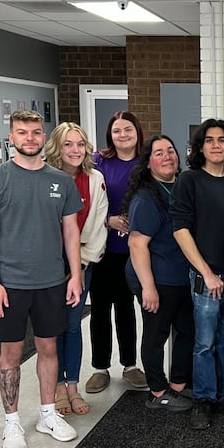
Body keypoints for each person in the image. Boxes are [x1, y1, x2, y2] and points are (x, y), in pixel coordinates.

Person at [0, 110, 83, 448]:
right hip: (10, 284)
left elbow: (70, 232)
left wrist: (75, 275)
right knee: (11, 353)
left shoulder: (61, 181)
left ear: (43, 136)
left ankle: (47, 414)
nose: (30, 138)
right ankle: (11, 421)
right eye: (23, 133)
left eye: (36, 132)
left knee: (49, 349)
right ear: (12, 138)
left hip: (51, 281)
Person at [170, 119, 224, 430]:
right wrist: (207, 272)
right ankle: (203, 398)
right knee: (204, 341)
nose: (216, 145)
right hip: (206, 276)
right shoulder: (189, 181)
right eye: (209, 140)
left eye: (221, 140)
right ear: (200, 147)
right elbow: (181, 231)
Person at [123, 135, 195, 412]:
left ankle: (177, 385)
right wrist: (148, 288)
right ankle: (157, 391)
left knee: (187, 332)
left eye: (170, 151)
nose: (167, 157)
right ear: (149, 162)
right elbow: (137, 243)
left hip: (181, 277)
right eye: (158, 153)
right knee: (156, 335)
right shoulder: (146, 197)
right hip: (156, 278)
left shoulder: (180, 186)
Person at [44, 122, 109, 416]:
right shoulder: (43, 178)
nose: (75, 150)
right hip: (46, 267)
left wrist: (79, 265)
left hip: (81, 264)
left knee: (71, 325)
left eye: (80, 144)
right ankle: (56, 387)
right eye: (68, 144)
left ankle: (72, 387)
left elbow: (98, 225)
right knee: (50, 328)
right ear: (57, 147)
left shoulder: (94, 179)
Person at [87, 111, 148, 393]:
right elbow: (86, 201)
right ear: (110, 135)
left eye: (128, 130)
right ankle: (100, 367)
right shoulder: (98, 162)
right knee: (100, 308)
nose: (122, 135)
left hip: (133, 249)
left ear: (137, 132)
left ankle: (130, 365)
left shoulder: (146, 164)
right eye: (117, 131)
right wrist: (108, 219)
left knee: (126, 308)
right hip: (102, 247)